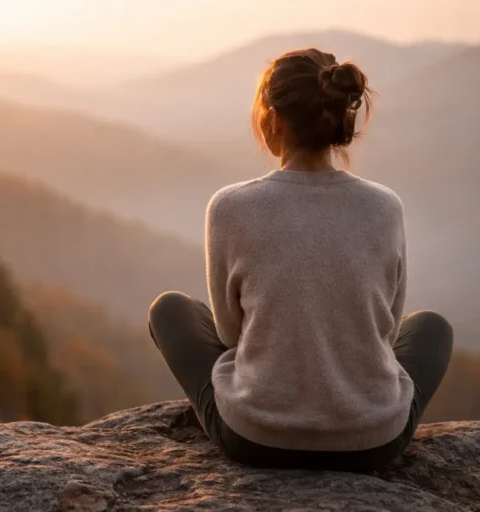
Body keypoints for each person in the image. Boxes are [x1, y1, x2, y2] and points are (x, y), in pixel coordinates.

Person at [147, 49, 453, 472]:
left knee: (170, 310)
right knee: (431, 328)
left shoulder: (230, 207)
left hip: (255, 440)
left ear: (273, 120)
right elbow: (384, 330)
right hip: (373, 444)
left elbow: (230, 334)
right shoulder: (385, 206)